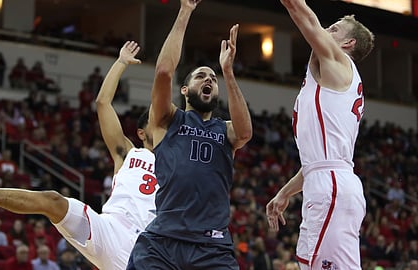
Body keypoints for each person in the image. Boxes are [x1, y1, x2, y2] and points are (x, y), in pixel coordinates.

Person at [0, 41, 157, 270]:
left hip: (149, 247)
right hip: (109, 229)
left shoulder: (180, 162)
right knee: (53, 200)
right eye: (158, 119)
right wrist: (120, 63)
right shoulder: (128, 152)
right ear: (141, 132)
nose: (166, 121)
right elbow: (103, 103)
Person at [126, 0, 252, 269]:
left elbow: (245, 133)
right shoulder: (167, 120)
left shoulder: (225, 130)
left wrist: (228, 72)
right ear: (184, 90)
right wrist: (185, 10)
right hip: (163, 240)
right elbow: (163, 72)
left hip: (212, 247)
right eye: (200, 77)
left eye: (212, 79)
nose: (208, 79)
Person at [265, 1, 375, 269]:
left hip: (332, 187)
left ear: (347, 43)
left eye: (334, 29)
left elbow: (298, 9)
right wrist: (285, 192)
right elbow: (318, 162)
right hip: (330, 182)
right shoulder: (330, 75)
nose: (326, 29)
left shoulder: (338, 61)